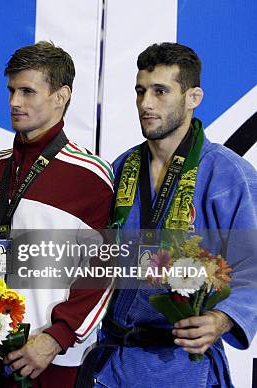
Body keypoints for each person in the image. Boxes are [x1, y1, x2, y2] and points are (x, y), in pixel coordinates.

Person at [91, 43, 257, 387]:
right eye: (140, 91)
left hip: (182, 364)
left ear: (193, 97)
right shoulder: (122, 167)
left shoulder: (227, 175)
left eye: (160, 91)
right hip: (114, 362)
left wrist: (222, 318)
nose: (146, 104)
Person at [0, 41, 114, 387]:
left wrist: (57, 337)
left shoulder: (91, 175)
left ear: (61, 96)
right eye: (11, 90)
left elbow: (107, 268)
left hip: (53, 361)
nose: (13, 102)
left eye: (27, 91)